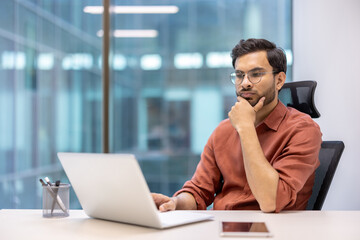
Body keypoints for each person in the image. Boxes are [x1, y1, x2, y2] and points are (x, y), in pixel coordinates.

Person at [152, 38, 322, 213]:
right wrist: (175, 202)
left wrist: (246, 128)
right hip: (222, 226)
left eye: (256, 74)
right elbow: (199, 192)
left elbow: (271, 201)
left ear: (279, 80)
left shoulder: (303, 130)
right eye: (240, 75)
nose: (245, 83)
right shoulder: (223, 131)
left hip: (274, 231)